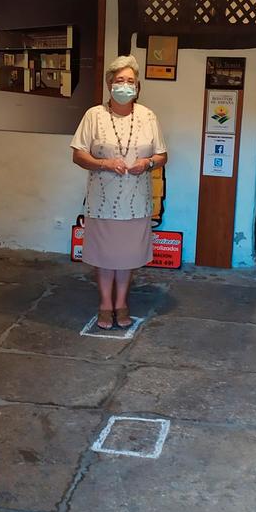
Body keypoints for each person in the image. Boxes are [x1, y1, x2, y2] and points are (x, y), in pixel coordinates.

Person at [71, 55, 169, 329]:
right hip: (102, 200)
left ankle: (122, 302)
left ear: (137, 86)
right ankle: (105, 304)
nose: (124, 86)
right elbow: (78, 155)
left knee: (126, 256)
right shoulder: (94, 115)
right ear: (109, 85)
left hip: (136, 201)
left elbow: (162, 155)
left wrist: (147, 163)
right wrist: (102, 163)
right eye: (119, 81)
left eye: (130, 81)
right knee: (104, 255)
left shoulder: (148, 116)